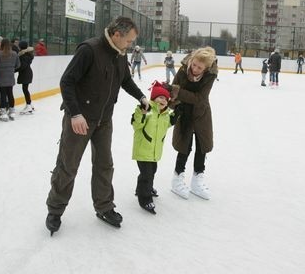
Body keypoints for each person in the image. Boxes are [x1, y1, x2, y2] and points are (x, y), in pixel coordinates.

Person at [45, 17, 149, 235]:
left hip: (104, 120)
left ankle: (104, 207)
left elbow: (125, 80)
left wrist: (141, 97)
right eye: (128, 40)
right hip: (80, 120)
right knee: (68, 165)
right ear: (116, 34)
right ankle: (55, 210)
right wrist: (75, 114)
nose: (130, 44)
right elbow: (67, 82)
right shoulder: (89, 50)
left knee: (104, 165)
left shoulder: (120, 54)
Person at [169, 47, 218, 200]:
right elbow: (172, 91)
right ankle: (177, 178)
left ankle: (197, 178)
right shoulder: (183, 70)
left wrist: (178, 92)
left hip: (201, 113)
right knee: (184, 147)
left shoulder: (210, 75)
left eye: (200, 68)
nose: (195, 69)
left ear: (206, 68)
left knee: (202, 146)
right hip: (184, 112)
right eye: (194, 64)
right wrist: (173, 98)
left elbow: (200, 98)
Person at [131, 81, 179, 214]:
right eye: (160, 97)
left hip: (154, 152)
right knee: (146, 174)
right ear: (153, 98)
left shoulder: (164, 115)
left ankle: (144, 187)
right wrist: (141, 112)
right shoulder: (147, 110)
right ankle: (145, 198)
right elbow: (137, 125)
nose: (163, 100)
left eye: (165, 98)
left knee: (151, 171)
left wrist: (176, 113)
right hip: (143, 150)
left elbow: (168, 123)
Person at [0, 39, 21, 122]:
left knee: (3, 94)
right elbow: (18, 65)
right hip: (10, 76)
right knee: (10, 93)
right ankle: (12, 111)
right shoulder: (14, 53)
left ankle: (3, 112)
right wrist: (11, 69)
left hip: (1, 76)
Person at [17, 40, 35, 114]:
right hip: (27, 73)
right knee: (25, 89)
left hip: (25, 74)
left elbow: (22, 66)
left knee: (25, 89)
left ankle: (28, 105)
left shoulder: (23, 56)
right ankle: (29, 104)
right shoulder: (27, 54)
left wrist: (14, 69)